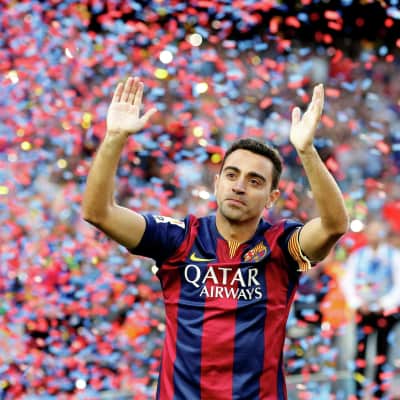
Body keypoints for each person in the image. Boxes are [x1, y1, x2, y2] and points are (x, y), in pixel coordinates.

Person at [82, 76, 348, 399]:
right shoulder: (179, 239)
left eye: (254, 181)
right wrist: (114, 137)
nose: (239, 186)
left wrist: (306, 151)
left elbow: (334, 225)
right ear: (217, 182)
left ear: (272, 197)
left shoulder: (282, 245)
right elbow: (98, 212)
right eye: (232, 175)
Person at [341, 219, 400, 399]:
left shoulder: (393, 256)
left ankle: (379, 392)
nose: (374, 235)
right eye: (371, 231)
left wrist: (384, 303)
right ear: (366, 234)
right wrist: (358, 303)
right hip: (364, 312)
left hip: (386, 313)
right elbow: (347, 282)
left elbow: (398, 284)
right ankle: (358, 392)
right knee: (360, 353)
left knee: (383, 352)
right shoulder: (357, 256)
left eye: (378, 231)